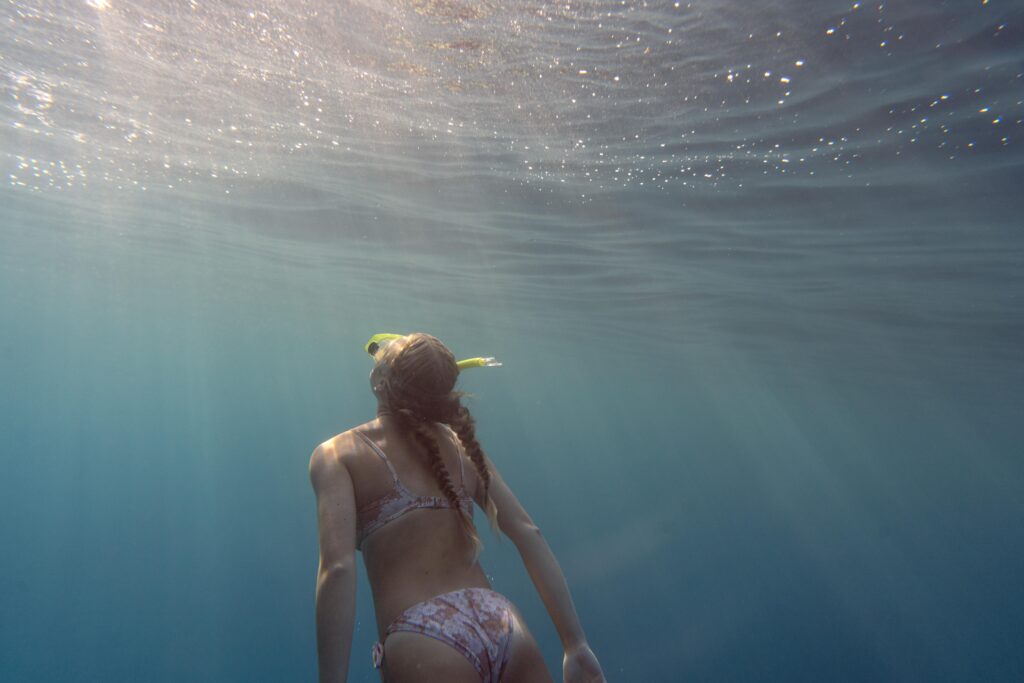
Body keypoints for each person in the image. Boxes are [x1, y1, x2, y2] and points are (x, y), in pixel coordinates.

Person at [310, 332, 607, 682]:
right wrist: (575, 643)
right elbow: (529, 533)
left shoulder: (337, 455)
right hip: (502, 624)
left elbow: (338, 569)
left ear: (380, 382)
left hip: (422, 637)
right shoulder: (461, 447)